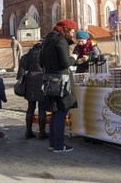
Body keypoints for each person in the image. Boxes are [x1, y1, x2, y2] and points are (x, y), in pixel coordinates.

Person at [39, 19, 78, 153]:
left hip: (50, 81)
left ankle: (53, 143)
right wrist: (73, 57)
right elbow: (66, 63)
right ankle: (59, 145)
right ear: (66, 30)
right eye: (72, 31)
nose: (73, 34)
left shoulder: (46, 40)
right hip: (61, 82)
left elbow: (40, 61)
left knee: (55, 113)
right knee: (61, 112)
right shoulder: (60, 41)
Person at [16, 40, 48, 140]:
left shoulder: (29, 52)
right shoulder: (45, 52)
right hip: (42, 79)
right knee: (42, 107)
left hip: (30, 81)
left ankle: (28, 131)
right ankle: (42, 133)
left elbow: (23, 65)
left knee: (31, 107)